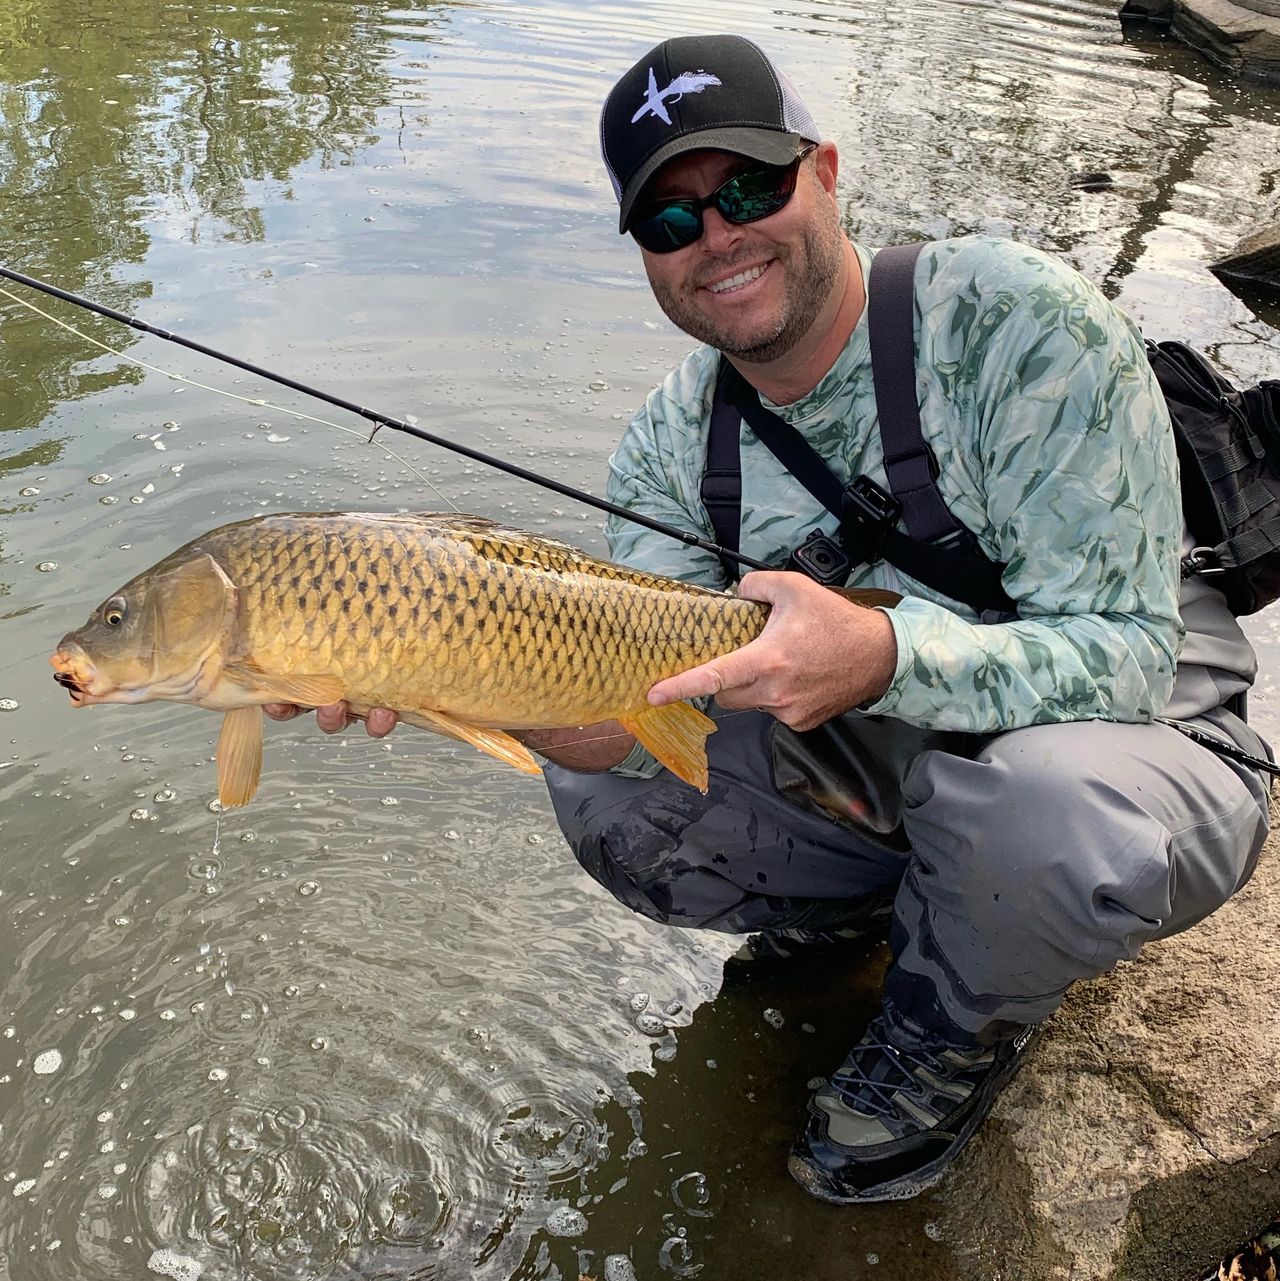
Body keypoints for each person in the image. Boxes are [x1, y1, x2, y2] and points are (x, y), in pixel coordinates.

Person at [267, 33, 1273, 1204]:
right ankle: (882, 908)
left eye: (749, 185)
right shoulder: (663, 444)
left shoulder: (1011, 322)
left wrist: (879, 653)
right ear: (644, 253)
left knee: (1037, 813)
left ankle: (950, 1026)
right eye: (669, 220)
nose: (718, 236)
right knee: (611, 801)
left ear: (826, 170)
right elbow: (626, 710)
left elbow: (1126, 655)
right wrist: (437, 678)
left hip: (1141, 741)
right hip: (886, 753)